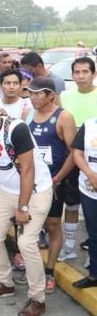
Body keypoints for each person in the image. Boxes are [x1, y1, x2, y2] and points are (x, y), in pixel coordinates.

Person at [0, 92, 53, 316]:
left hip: (36, 190)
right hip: (7, 191)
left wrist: (23, 208)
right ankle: (5, 283)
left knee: (26, 243)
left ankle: (38, 298)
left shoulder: (16, 129)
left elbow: (28, 170)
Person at [26, 77, 76, 293]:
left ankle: (49, 271)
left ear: (51, 95)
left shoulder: (63, 117)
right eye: (31, 93)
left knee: (53, 225)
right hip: (31, 183)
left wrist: (57, 179)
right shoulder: (27, 115)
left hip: (55, 182)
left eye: (38, 93)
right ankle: (34, 271)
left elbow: (74, 153)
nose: (33, 97)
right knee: (31, 228)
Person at [60, 57, 97, 260]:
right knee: (72, 204)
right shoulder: (65, 96)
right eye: (77, 72)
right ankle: (70, 246)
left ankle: (94, 252)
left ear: (94, 74)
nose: (81, 76)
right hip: (71, 157)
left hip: (94, 160)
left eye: (85, 71)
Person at [71, 114, 97, 289]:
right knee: (94, 233)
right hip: (90, 190)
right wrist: (91, 175)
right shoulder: (88, 125)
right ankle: (94, 275)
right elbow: (77, 154)